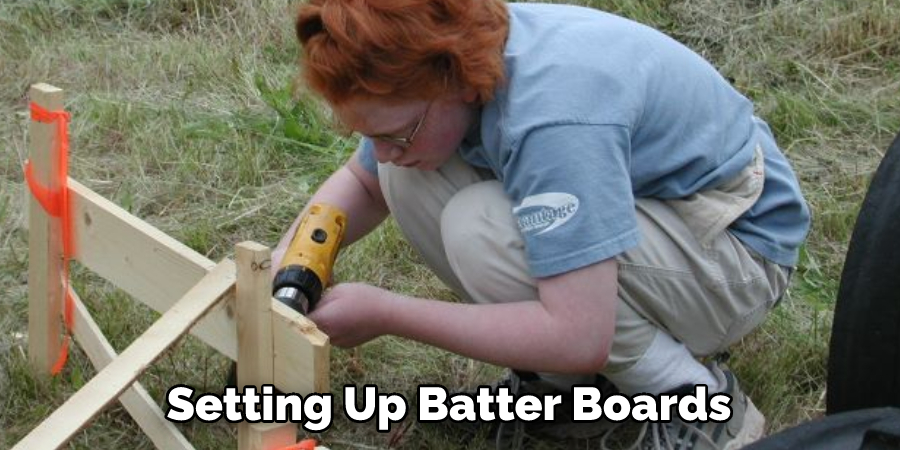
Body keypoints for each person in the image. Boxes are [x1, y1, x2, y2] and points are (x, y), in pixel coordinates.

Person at [276, 0, 811, 448]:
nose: (384, 152)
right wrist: (283, 269)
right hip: (658, 211)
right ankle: (571, 395)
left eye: (398, 133)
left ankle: (697, 400)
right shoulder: (453, 59)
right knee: (404, 181)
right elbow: (364, 184)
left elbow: (579, 333)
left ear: (455, 80)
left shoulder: (553, 116)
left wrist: (390, 313)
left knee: (482, 227)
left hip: (736, 256)